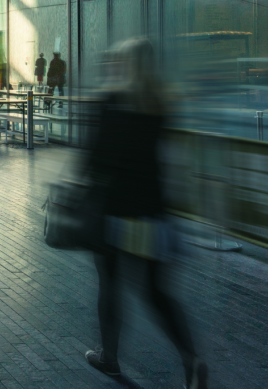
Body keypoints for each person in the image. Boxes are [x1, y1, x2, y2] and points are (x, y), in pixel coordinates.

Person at [80, 38, 206, 388]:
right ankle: (191, 359)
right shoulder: (159, 104)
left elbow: (92, 161)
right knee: (156, 291)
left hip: (114, 213)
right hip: (153, 214)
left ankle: (109, 357)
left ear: (123, 64)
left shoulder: (109, 102)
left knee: (110, 286)